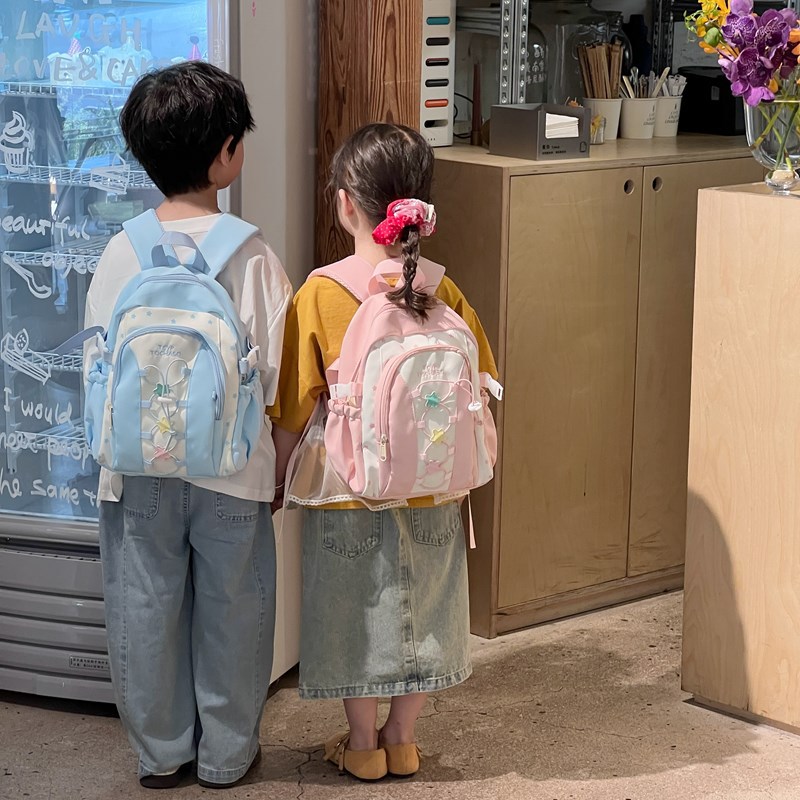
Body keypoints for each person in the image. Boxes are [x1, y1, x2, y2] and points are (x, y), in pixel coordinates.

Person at [270, 123, 499, 781]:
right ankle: (404, 738)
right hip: (434, 488)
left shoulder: (321, 292)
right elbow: (484, 380)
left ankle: (363, 742)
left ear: (346, 204)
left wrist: (278, 480)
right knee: (425, 613)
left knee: (355, 616)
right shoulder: (442, 290)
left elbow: (293, 407)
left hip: (349, 490)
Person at [84, 62, 292, 790]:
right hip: (232, 468)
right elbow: (272, 377)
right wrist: (276, 465)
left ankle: (161, 754)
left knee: (144, 608)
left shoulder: (120, 251)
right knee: (235, 610)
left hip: (136, 469)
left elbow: (99, 365)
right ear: (227, 153)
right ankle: (227, 756)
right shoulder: (252, 254)